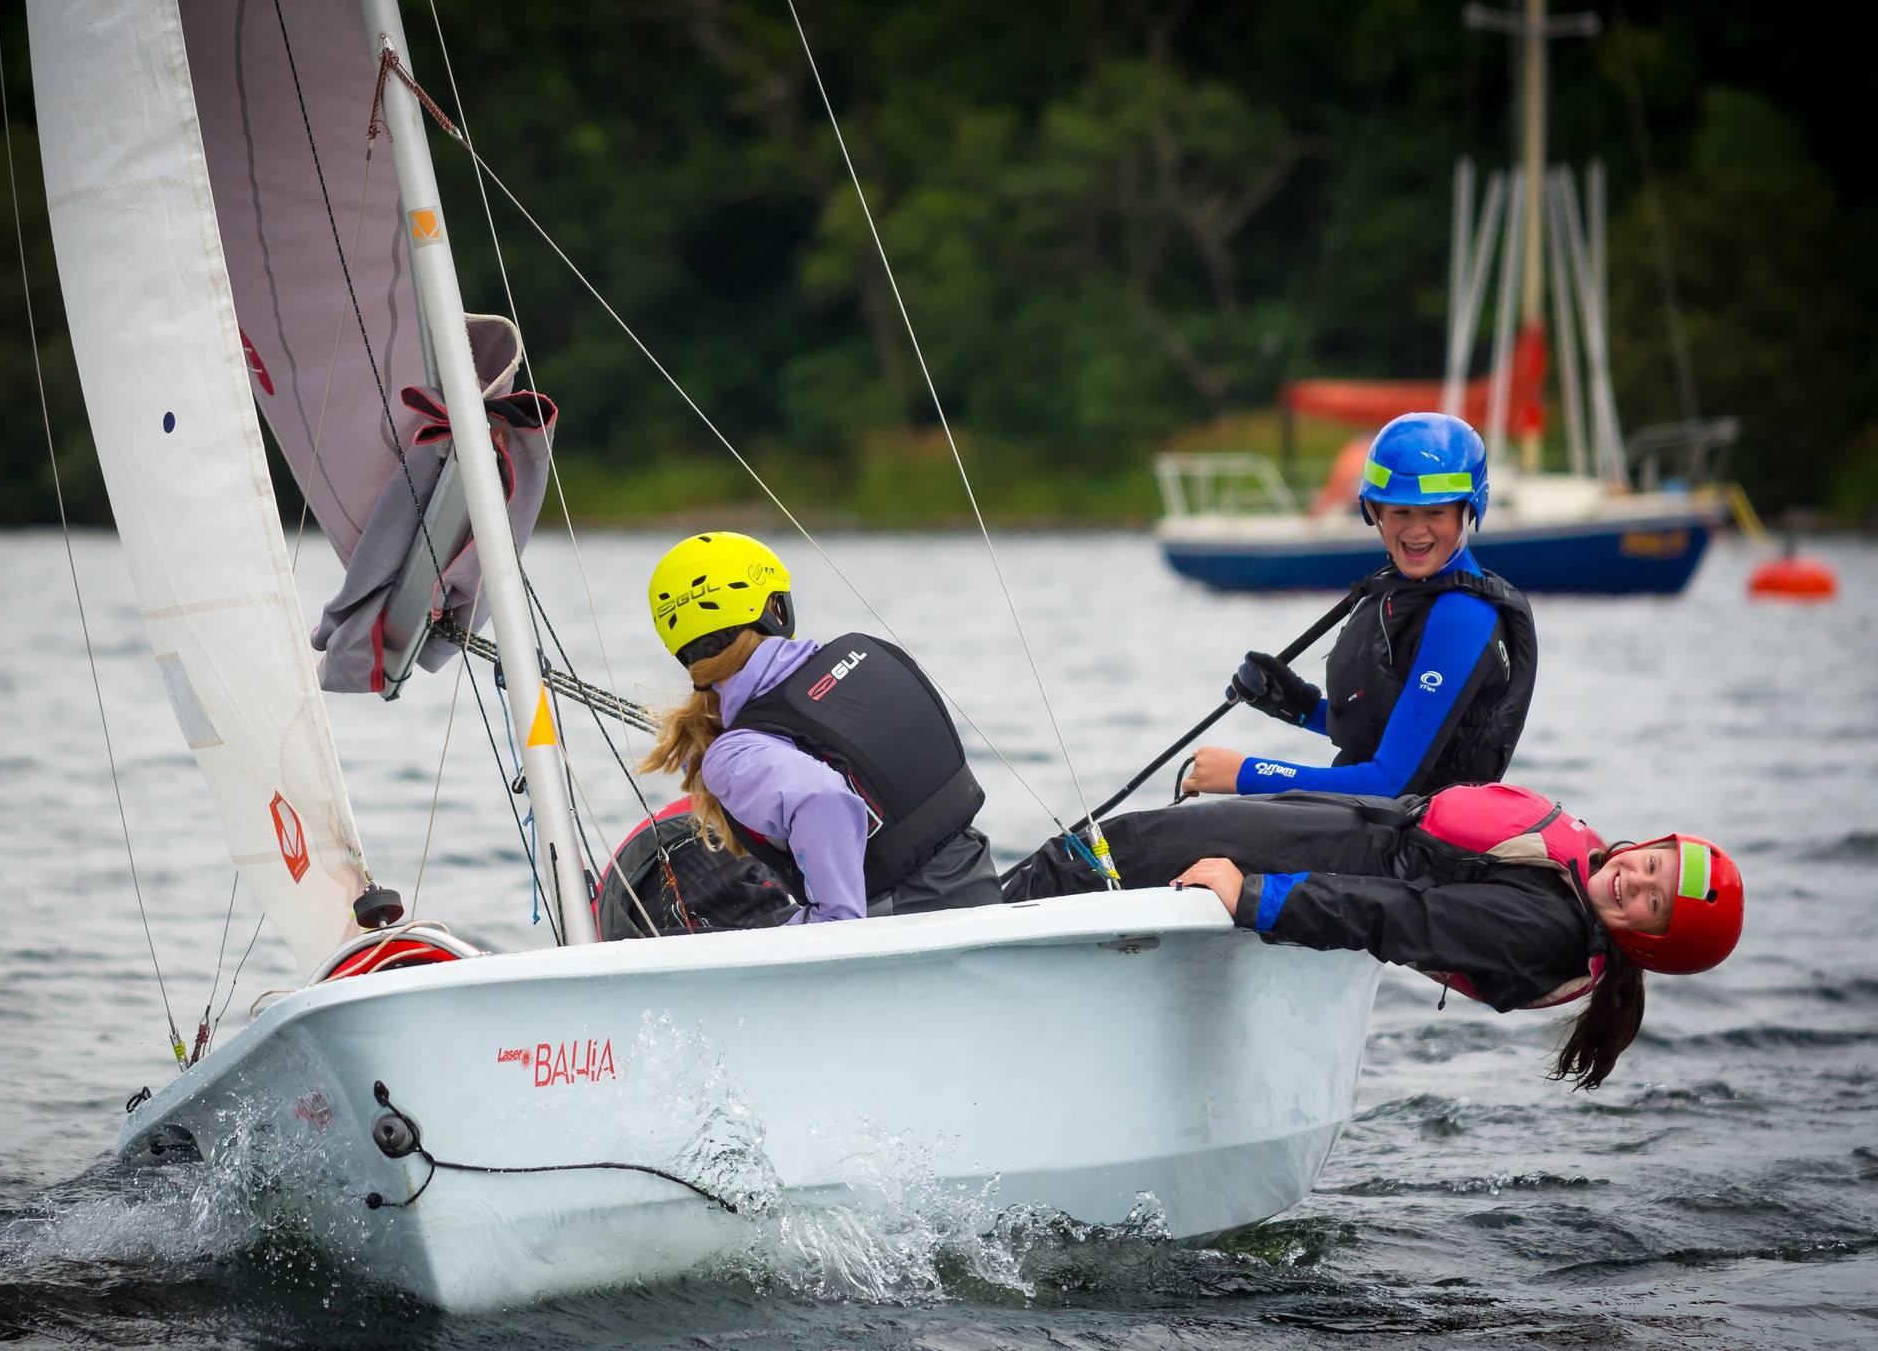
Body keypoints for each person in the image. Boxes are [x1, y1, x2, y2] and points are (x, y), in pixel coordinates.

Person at [1004, 783, 1744, 1089]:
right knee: (1113, 842)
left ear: (1646, 944)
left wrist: (1252, 894)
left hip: (1329, 865)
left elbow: (1400, 917)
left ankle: (967, 944)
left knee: (1107, 852)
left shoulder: (1545, 929)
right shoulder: (1572, 878)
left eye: (1650, 903)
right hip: (1354, 830)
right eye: (1650, 864)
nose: (1633, 881)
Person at [637, 531, 1001, 926]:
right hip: (980, 883)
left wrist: (832, 919)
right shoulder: (868, 654)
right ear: (777, 610)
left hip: (910, 923)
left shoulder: (735, 753)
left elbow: (822, 798)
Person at [1183, 412, 1538, 800]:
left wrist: (1245, 774)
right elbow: (1384, 730)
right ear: (1375, 512)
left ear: (1469, 509)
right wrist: (1294, 704)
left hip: (1417, 845)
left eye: (1435, 513)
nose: (1416, 531)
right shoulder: (1410, 593)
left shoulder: (1461, 617)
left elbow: (1390, 783)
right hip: (1373, 827)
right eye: (1400, 511)